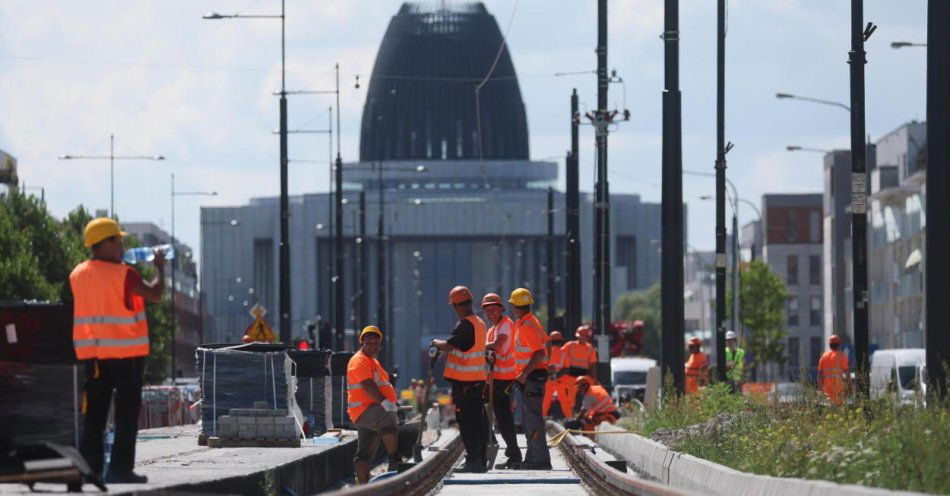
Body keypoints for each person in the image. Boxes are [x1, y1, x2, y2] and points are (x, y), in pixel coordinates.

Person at [70, 218, 165, 483]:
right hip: (127, 356)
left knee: (95, 415)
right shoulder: (125, 274)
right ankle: (120, 469)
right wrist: (159, 269)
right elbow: (155, 294)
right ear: (106, 243)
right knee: (126, 413)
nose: (123, 244)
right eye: (118, 239)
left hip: (94, 358)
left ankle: (90, 470)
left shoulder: (77, 274)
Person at [432, 286, 490, 473]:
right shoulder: (480, 323)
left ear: (456, 306)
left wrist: (435, 343)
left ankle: (474, 461)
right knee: (478, 422)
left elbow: (449, 346)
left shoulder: (465, 325)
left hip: (465, 384)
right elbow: (464, 347)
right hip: (477, 382)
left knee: (467, 423)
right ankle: (480, 460)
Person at [346, 326, 401, 483]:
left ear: (380, 345)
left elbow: (383, 385)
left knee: (364, 453)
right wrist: (386, 403)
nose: (373, 345)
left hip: (367, 411)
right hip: (366, 409)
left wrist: (392, 402)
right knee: (389, 422)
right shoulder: (359, 361)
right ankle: (393, 461)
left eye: (376, 342)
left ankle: (363, 487)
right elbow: (368, 385)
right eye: (369, 342)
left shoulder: (372, 361)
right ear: (362, 342)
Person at [509, 288, 551, 470]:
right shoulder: (530, 322)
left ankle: (540, 459)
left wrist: (524, 373)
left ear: (514, 306)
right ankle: (531, 456)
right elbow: (547, 344)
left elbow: (540, 353)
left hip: (532, 377)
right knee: (529, 418)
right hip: (534, 376)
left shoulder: (527, 326)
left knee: (532, 418)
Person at [481, 292, 521, 469]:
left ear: (501, 309)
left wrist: (477, 346)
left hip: (505, 378)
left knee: (503, 417)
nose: (490, 313)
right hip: (494, 379)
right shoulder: (491, 329)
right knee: (491, 414)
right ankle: (509, 452)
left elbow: (497, 346)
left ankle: (513, 454)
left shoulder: (506, 325)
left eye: (493, 309)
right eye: (487, 310)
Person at [562, 324, 598, 414]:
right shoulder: (570, 346)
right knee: (570, 399)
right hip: (571, 377)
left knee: (592, 393)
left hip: (584, 377)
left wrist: (595, 379)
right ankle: (570, 417)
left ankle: (591, 414)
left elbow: (592, 365)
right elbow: (559, 354)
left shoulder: (589, 348)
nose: (582, 339)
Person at [542, 331, 572, 419]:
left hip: (548, 380)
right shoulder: (564, 353)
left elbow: (542, 366)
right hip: (560, 381)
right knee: (564, 402)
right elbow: (566, 369)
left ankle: (542, 420)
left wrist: (551, 375)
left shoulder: (546, 352)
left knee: (545, 401)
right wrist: (556, 376)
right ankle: (570, 420)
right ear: (560, 341)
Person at [818, 334, 850, 405]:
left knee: (828, 412)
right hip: (839, 390)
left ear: (829, 345)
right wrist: (849, 387)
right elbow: (847, 373)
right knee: (838, 413)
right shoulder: (842, 356)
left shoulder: (824, 357)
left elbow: (820, 375)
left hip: (827, 391)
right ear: (838, 344)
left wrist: (820, 390)